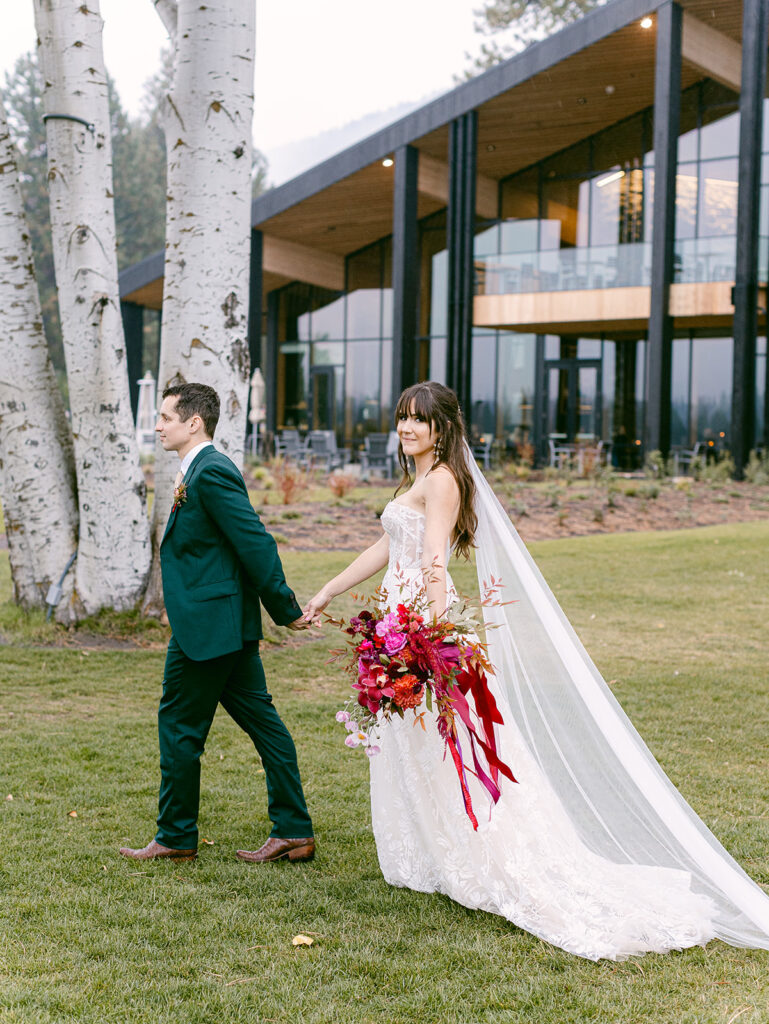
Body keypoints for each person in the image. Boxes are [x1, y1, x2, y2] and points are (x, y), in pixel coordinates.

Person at [303, 381, 769, 961]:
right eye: (401, 418)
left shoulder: (443, 479)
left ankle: (481, 856)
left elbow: (432, 561)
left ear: (442, 428)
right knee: (423, 749)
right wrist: (327, 590)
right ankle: (438, 853)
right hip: (399, 625)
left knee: (454, 750)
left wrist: (426, 638)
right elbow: (388, 546)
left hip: (420, 628)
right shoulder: (418, 478)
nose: (406, 429)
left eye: (418, 421)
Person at [120, 383, 314, 865]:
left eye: (165, 417)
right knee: (266, 727)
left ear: (194, 423)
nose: (158, 425)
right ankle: (294, 830)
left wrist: (285, 609)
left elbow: (255, 544)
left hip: (208, 632)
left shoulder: (211, 473)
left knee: (180, 729)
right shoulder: (200, 470)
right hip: (223, 625)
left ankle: (175, 836)